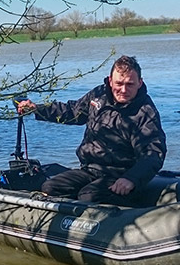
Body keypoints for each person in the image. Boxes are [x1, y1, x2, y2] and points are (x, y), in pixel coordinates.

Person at [16, 55, 166, 205]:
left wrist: (131, 179)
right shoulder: (98, 95)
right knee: (50, 187)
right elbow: (72, 112)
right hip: (90, 169)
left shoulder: (146, 112)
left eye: (130, 84)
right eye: (119, 83)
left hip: (120, 174)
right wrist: (38, 109)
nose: (123, 90)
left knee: (89, 196)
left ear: (140, 83)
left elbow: (153, 152)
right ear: (110, 80)